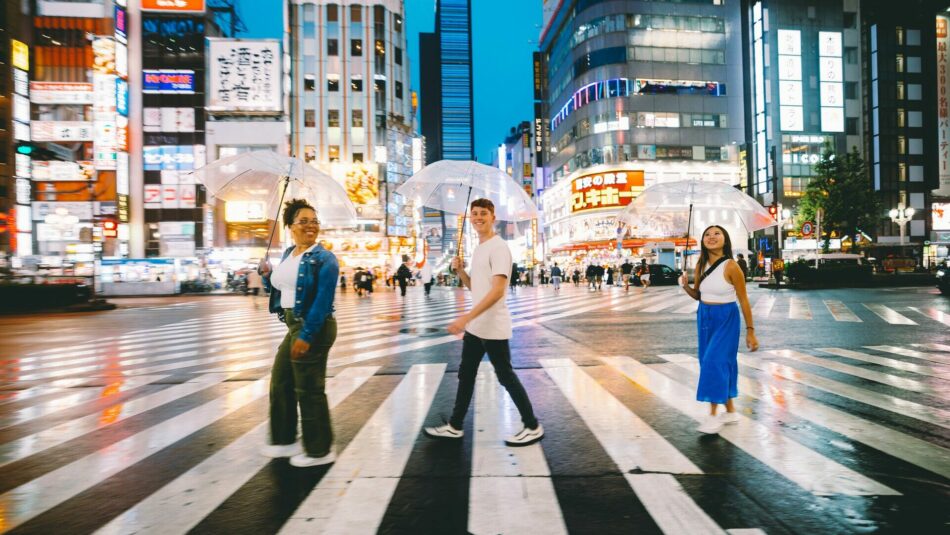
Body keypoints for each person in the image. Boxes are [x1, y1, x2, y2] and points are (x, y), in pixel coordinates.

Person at [425, 198, 543, 446]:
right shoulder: (479, 248)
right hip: (477, 327)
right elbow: (476, 288)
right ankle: (455, 425)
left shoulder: (499, 248)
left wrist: (466, 317)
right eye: (475, 214)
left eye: (483, 214)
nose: (478, 217)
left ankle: (532, 425)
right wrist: (460, 272)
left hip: (492, 327)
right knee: (465, 375)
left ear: (493, 218)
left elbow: (498, 291)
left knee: (505, 376)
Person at [259, 199, 340, 467]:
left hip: (314, 325)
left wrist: (307, 335)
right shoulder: (288, 254)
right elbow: (280, 288)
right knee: (281, 381)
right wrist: (266, 274)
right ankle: (284, 440)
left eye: (314, 221)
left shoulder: (325, 258)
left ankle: (320, 450)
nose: (310, 226)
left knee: (308, 388)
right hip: (293, 324)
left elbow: (322, 299)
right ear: (290, 226)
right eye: (303, 221)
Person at [679, 225, 759, 435]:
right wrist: (685, 286)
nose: (711, 237)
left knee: (714, 362)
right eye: (707, 234)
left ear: (726, 239)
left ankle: (713, 415)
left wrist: (750, 330)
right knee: (714, 361)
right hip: (704, 316)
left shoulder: (732, 267)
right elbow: (699, 295)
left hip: (727, 318)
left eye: (717, 234)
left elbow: (743, 300)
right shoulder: (700, 264)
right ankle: (731, 411)